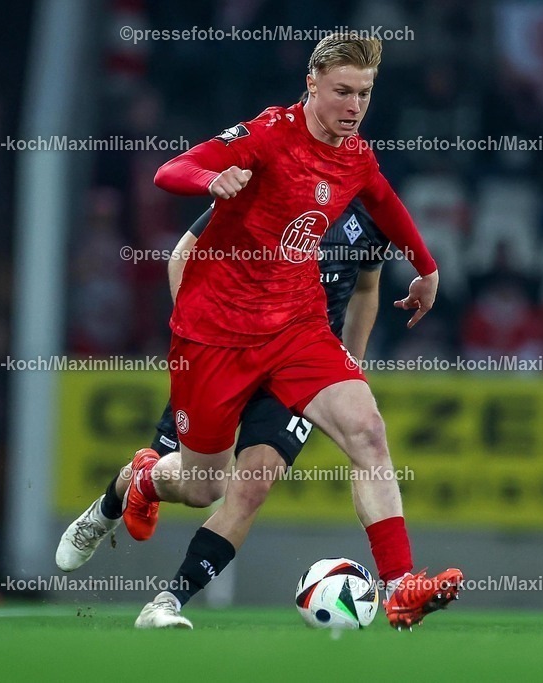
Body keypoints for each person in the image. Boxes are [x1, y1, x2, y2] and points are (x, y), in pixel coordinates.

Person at [61, 33, 462, 630]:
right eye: (343, 92)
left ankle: (401, 586)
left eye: (365, 94)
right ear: (312, 84)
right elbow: (174, 170)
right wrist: (210, 182)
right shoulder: (269, 135)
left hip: (298, 329)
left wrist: (427, 268)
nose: (355, 106)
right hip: (216, 337)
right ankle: (132, 484)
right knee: (201, 487)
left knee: (367, 431)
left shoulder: (355, 157)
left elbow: (385, 204)